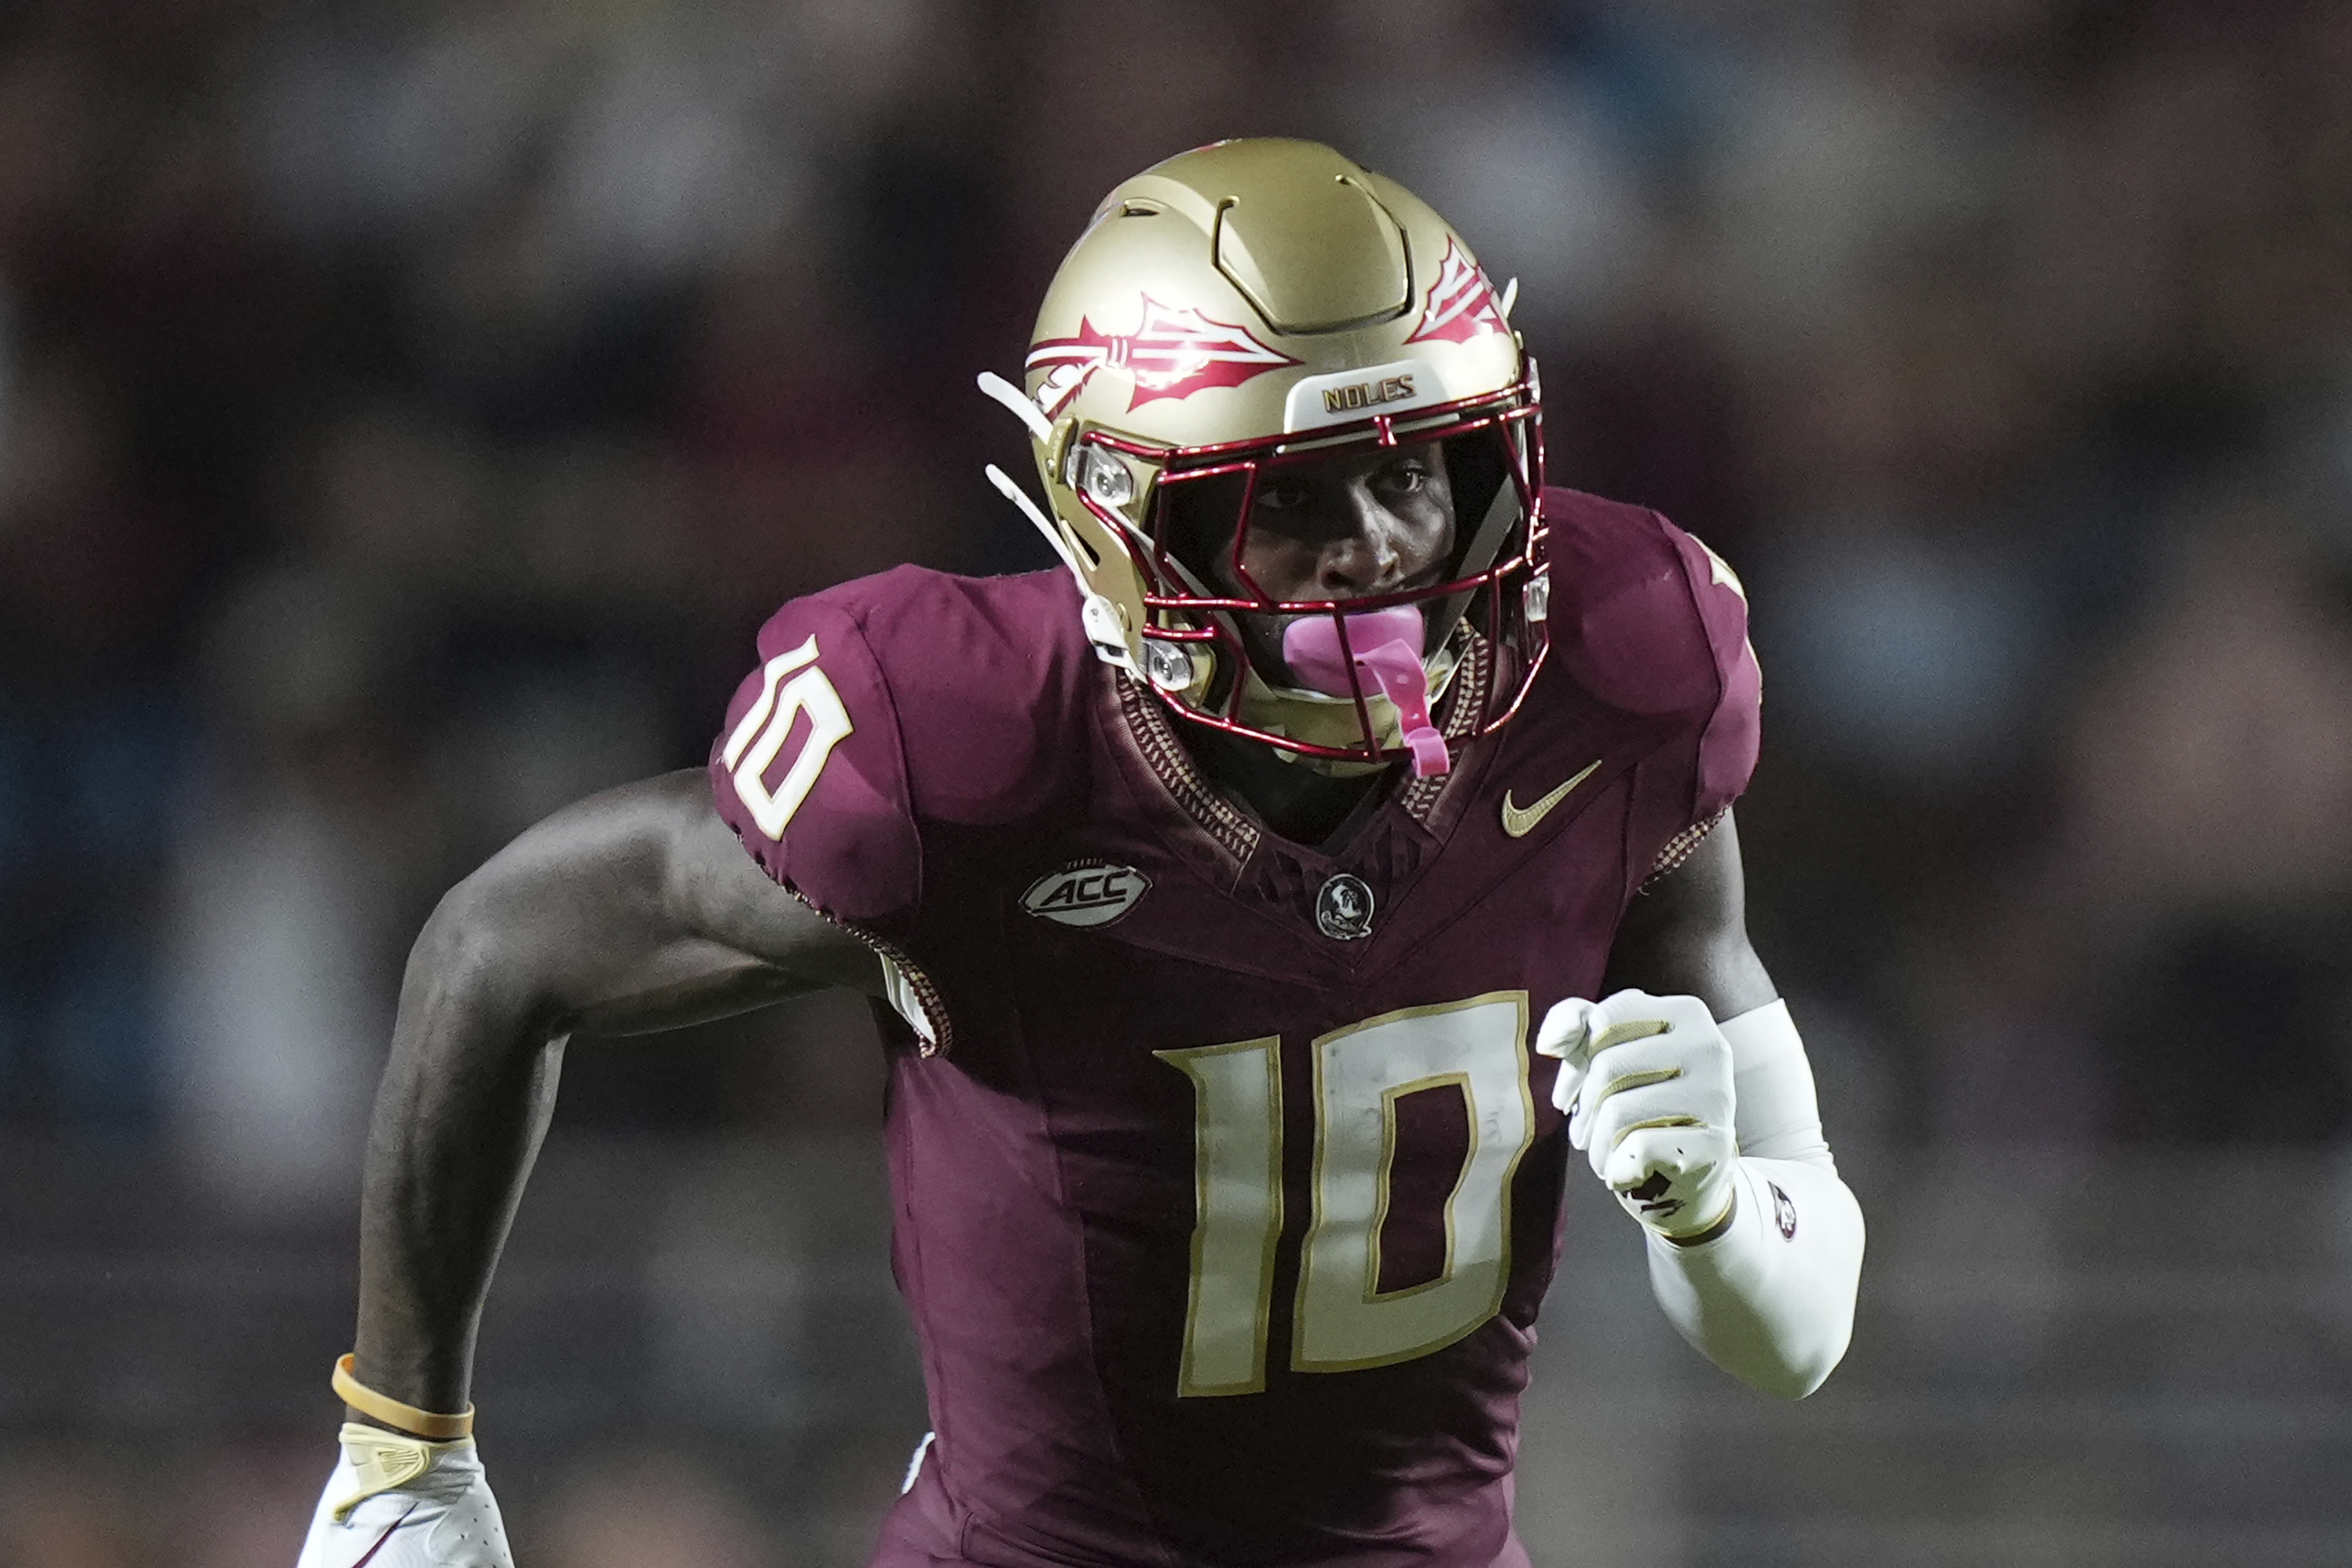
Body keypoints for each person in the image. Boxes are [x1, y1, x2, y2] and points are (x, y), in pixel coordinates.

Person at [295, 139, 1864, 1568]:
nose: (1386, 550)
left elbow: (1797, 1338)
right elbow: (498, 949)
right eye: (1293, 498)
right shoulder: (972, 750)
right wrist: (405, 1458)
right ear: (1119, 510)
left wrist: (1719, 1210)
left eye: (1419, 471)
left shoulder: (1616, 669)